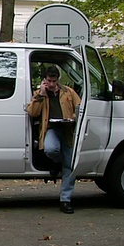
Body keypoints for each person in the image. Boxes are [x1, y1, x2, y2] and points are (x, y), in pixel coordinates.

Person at [27, 65, 82, 214]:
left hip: (68, 130)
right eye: (49, 81)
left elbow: (80, 108)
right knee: (51, 149)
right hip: (51, 129)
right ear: (44, 80)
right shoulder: (40, 93)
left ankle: (65, 200)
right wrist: (41, 95)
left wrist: (73, 118)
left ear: (58, 80)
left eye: (54, 81)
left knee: (70, 166)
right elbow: (32, 112)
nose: (51, 84)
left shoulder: (68, 92)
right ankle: (57, 163)